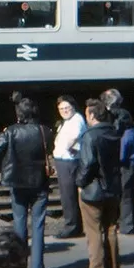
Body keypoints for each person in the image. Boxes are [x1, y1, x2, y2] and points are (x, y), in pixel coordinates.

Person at [0, 98, 54, 268]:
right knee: (39, 226)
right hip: (40, 182)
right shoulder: (45, 131)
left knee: (19, 225)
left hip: (17, 183)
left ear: (20, 114)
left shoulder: (11, 131)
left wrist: (4, 168)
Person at [75, 98, 123, 268]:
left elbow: (88, 164)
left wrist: (80, 183)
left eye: (87, 114)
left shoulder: (90, 136)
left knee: (93, 230)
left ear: (93, 115)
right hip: (112, 187)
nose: (86, 117)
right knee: (110, 228)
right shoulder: (114, 133)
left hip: (93, 190)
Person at [52, 95, 87, 239]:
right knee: (68, 194)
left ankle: (72, 227)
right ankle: (74, 225)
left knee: (68, 195)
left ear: (73, 107)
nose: (64, 110)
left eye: (67, 108)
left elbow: (74, 136)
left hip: (69, 161)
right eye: (61, 109)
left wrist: (67, 148)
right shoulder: (69, 120)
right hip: (64, 161)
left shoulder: (76, 119)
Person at [119, 122, 134, 235]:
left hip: (127, 165)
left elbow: (122, 156)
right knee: (133, 195)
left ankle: (127, 226)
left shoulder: (125, 136)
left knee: (125, 195)